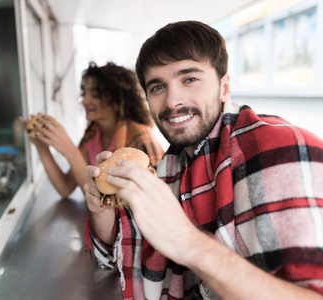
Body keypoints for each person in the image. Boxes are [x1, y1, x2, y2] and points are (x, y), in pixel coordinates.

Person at [84, 21, 323, 299]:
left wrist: (189, 242)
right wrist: (102, 211)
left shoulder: (286, 150)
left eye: (189, 79)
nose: (173, 101)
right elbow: (121, 253)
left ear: (224, 88)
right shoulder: (168, 168)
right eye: (158, 87)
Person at [20, 62, 164, 198]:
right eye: (84, 94)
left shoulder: (140, 136)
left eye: (94, 95)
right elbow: (65, 188)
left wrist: (70, 149)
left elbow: (159, 194)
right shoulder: (93, 135)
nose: (84, 101)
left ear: (117, 100)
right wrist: (41, 146)